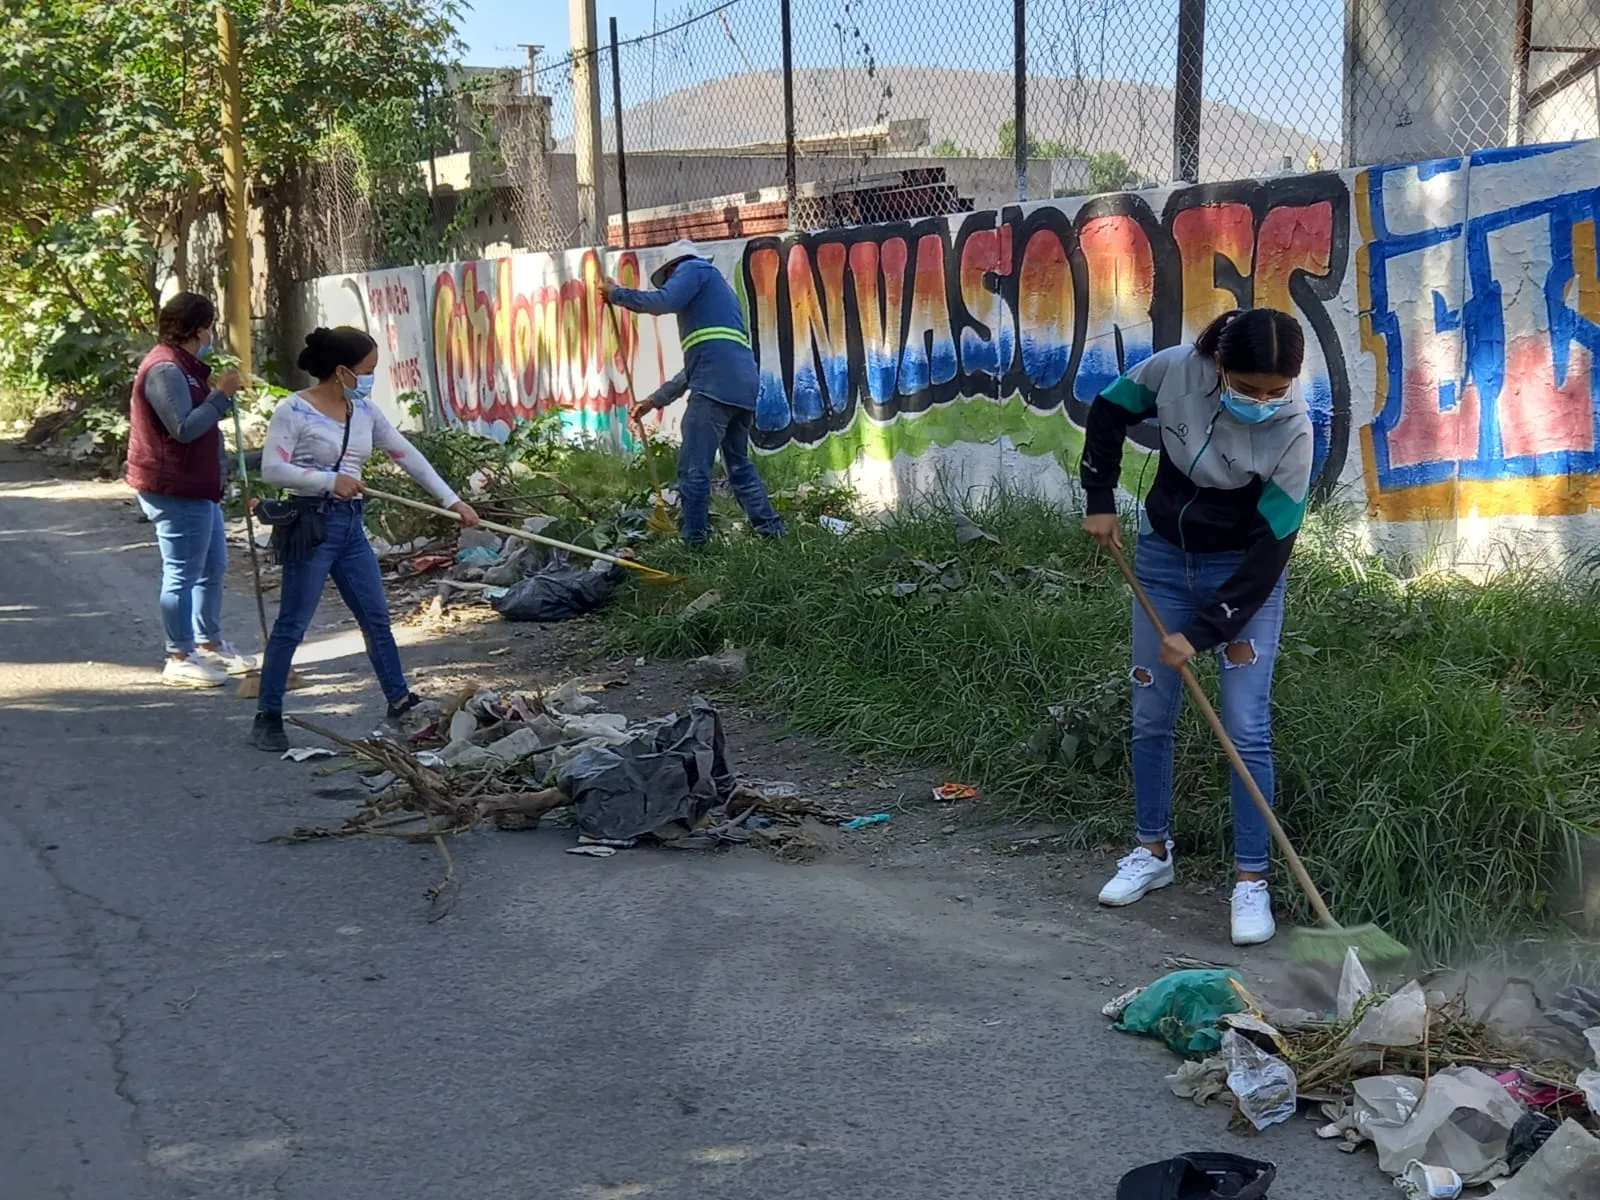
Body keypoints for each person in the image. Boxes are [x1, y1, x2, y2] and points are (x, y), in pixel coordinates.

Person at [1080, 308, 1313, 947]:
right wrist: (1099, 501)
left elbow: (1272, 550)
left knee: (1244, 726)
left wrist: (1206, 630)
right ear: (1218, 367)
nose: (1263, 401)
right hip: (1159, 562)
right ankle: (1152, 854)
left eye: (1276, 389)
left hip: (1243, 579)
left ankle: (1251, 879)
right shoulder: (1174, 371)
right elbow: (1106, 412)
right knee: (1151, 715)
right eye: (1249, 386)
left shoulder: (1294, 428)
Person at [248, 326, 479, 753]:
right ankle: (268, 713)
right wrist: (329, 480)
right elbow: (273, 471)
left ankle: (399, 700)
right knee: (293, 624)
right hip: (311, 525)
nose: (372, 378)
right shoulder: (294, 411)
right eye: (367, 370)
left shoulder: (365, 412)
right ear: (341, 371)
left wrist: (453, 501)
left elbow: (406, 454)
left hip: (351, 527)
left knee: (376, 618)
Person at [599, 240, 786, 545]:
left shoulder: (693, 269)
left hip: (714, 387)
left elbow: (662, 302)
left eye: (672, 277)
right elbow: (694, 369)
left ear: (674, 268)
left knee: (693, 467)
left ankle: (695, 542)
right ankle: (772, 532)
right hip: (740, 386)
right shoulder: (717, 301)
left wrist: (616, 294)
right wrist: (653, 401)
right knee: (738, 465)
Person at [125, 291, 254, 688]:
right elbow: (184, 429)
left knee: (212, 566)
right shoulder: (165, 369)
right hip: (175, 487)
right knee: (182, 572)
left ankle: (208, 642)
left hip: (199, 486)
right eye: (210, 326)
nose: (212, 332)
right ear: (200, 328)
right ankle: (178, 654)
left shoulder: (184, 365)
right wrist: (221, 396)